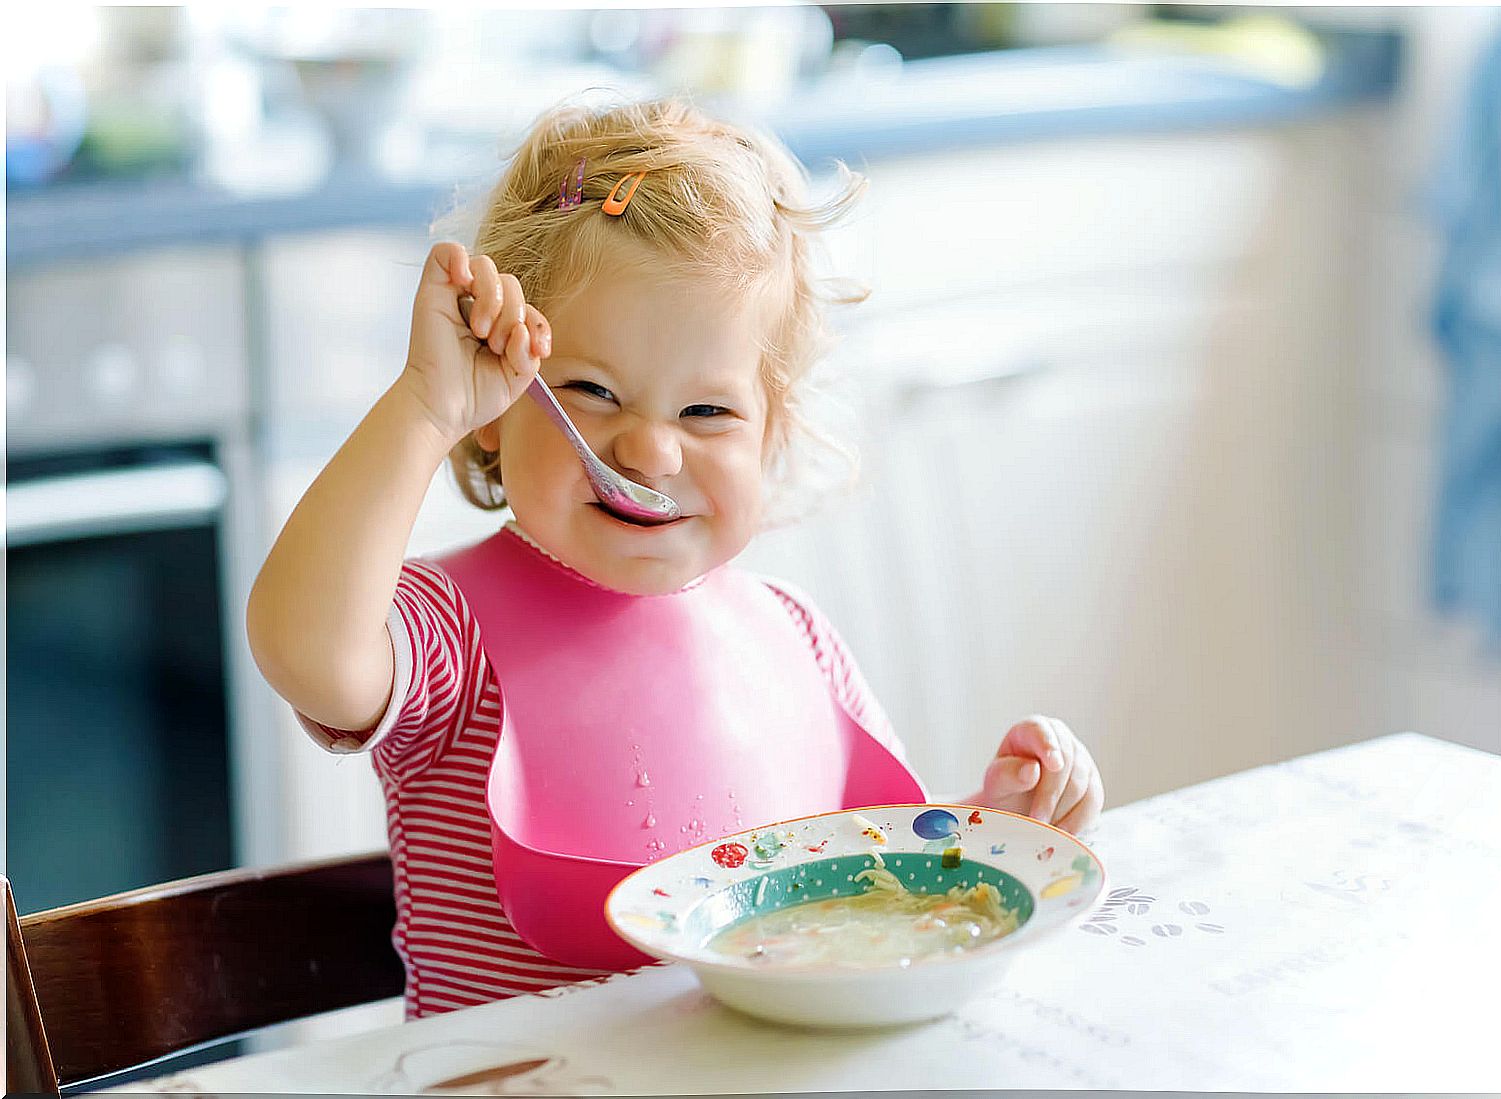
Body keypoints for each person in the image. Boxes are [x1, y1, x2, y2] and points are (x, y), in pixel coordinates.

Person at [246, 96, 1103, 1019]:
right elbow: (305, 652)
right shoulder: (448, 631)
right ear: (496, 409)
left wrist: (995, 824)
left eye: (707, 412)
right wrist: (422, 406)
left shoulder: (792, 635)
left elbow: (861, 870)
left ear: (772, 437)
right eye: (590, 392)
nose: (649, 453)